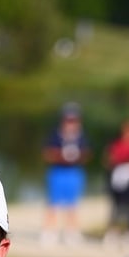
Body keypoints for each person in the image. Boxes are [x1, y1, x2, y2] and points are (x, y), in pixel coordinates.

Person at [41, 102, 92, 245]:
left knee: (72, 204)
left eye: (74, 120)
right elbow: (47, 153)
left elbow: (87, 154)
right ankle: (49, 232)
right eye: (68, 120)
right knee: (53, 202)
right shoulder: (55, 135)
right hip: (58, 171)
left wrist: (77, 157)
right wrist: (60, 157)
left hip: (74, 171)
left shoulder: (81, 137)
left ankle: (71, 232)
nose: (71, 123)